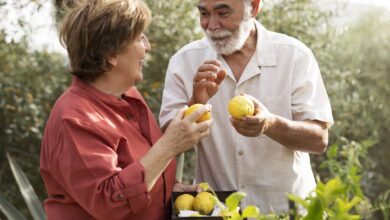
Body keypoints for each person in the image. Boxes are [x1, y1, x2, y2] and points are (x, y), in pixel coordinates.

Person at [39, 0, 211, 219]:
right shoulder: (76, 118)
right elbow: (110, 201)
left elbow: (142, 172)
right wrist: (170, 145)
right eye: (140, 38)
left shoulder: (130, 97)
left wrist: (174, 192)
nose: (147, 46)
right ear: (111, 53)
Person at [159, 0, 334, 214]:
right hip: (219, 211)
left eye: (223, 13)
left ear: (254, 6)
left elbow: (319, 140)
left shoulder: (295, 56)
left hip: (289, 212)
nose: (212, 25)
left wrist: (270, 124)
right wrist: (197, 103)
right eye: (204, 13)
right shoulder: (184, 61)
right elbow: (167, 145)